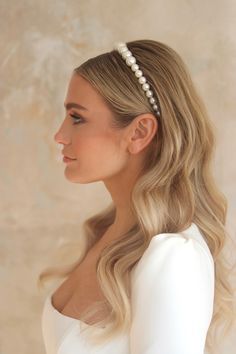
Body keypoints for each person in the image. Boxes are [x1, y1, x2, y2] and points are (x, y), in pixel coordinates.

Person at [38, 40, 236, 354]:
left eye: (77, 118)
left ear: (139, 132)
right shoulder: (109, 234)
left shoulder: (173, 257)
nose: (60, 136)